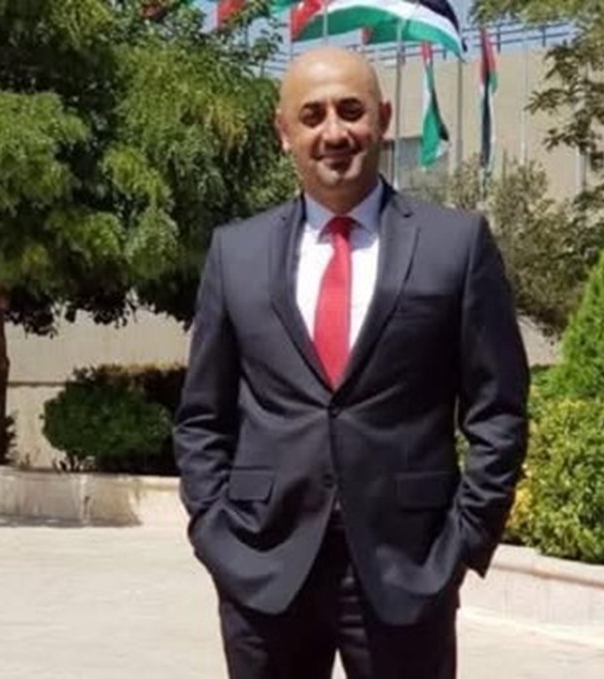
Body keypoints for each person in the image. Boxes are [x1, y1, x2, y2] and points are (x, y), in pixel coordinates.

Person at [174, 45, 529, 679]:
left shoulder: (455, 245)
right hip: (262, 567)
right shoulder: (236, 253)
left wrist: (464, 541)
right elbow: (203, 415)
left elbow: (498, 409)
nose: (333, 132)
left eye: (351, 110)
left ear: (383, 118)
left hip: (407, 569)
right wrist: (214, 531)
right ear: (284, 132)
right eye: (312, 116)